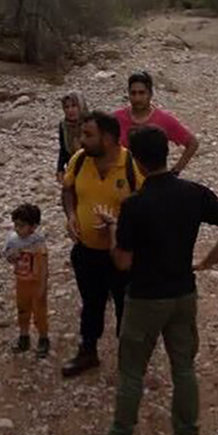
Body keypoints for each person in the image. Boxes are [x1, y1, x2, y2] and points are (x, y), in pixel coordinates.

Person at [85, 126, 218, 435]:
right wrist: (209, 260)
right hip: (183, 292)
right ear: (166, 154)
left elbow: (123, 261)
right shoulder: (193, 192)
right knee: (183, 367)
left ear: (138, 162)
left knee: (131, 371)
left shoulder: (135, 205)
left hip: (145, 298)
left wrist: (113, 231)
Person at [60, 111, 143, 378]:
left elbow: (145, 206)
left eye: (88, 135)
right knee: (91, 302)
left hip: (121, 253)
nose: (81, 140)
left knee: (126, 305)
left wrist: (118, 228)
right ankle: (88, 351)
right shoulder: (79, 160)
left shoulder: (132, 165)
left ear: (107, 138)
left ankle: (129, 358)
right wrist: (71, 215)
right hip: (86, 251)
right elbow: (67, 190)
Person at [113, 71, 199, 176]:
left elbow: (192, 143)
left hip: (153, 183)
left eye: (141, 93)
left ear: (150, 94)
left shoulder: (164, 119)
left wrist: (175, 171)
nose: (137, 98)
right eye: (133, 93)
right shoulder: (116, 118)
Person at [2, 203, 50, 358]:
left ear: (33, 226)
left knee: (39, 312)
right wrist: (11, 256)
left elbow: (43, 266)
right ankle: (24, 336)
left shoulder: (38, 243)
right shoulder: (13, 240)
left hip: (36, 283)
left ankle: (43, 337)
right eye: (16, 225)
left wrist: (42, 285)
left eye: (21, 226)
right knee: (22, 310)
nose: (17, 229)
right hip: (21, 281)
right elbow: (7, 255)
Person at [56, 92, 87, 184]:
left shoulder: (90, 123)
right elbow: (63, 149)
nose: (70, 110)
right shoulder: (64, 126)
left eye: (74, 106)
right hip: (72, 167)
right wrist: (60, 169)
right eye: (67, 107)